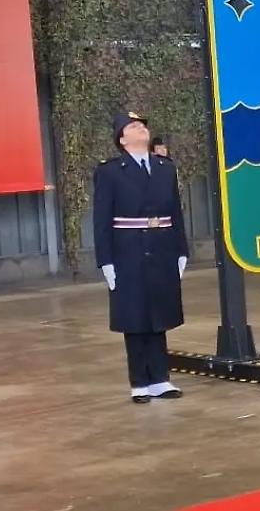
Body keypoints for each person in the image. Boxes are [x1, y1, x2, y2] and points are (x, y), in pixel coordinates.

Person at [93, 112, 188, 404]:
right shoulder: (110, 171)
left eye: (144, 125)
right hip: (128, 250)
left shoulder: (164, 167)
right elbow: (102, 218)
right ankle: (139, 382)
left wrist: (181, 250)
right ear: (122, 139)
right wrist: (105, 260)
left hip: (161, 247)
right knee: (134, 316)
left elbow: (175, 211)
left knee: (159, 314)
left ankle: (160, 379)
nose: (142, 128)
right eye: (134, 126)